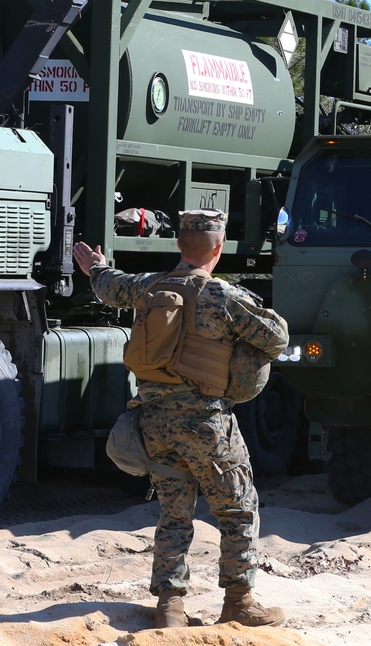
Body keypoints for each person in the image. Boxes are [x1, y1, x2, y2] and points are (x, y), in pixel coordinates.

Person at [72, 209, 289, 630]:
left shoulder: (148, 286)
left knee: (174, 511)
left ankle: (170, 607)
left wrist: (94, 265)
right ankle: (239, 603)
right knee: (238, 508)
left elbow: (108, 285)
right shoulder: (225, 296)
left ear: (179, 245)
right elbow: (276, 337)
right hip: (206, 423)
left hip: (152, 421)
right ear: (219, 247)